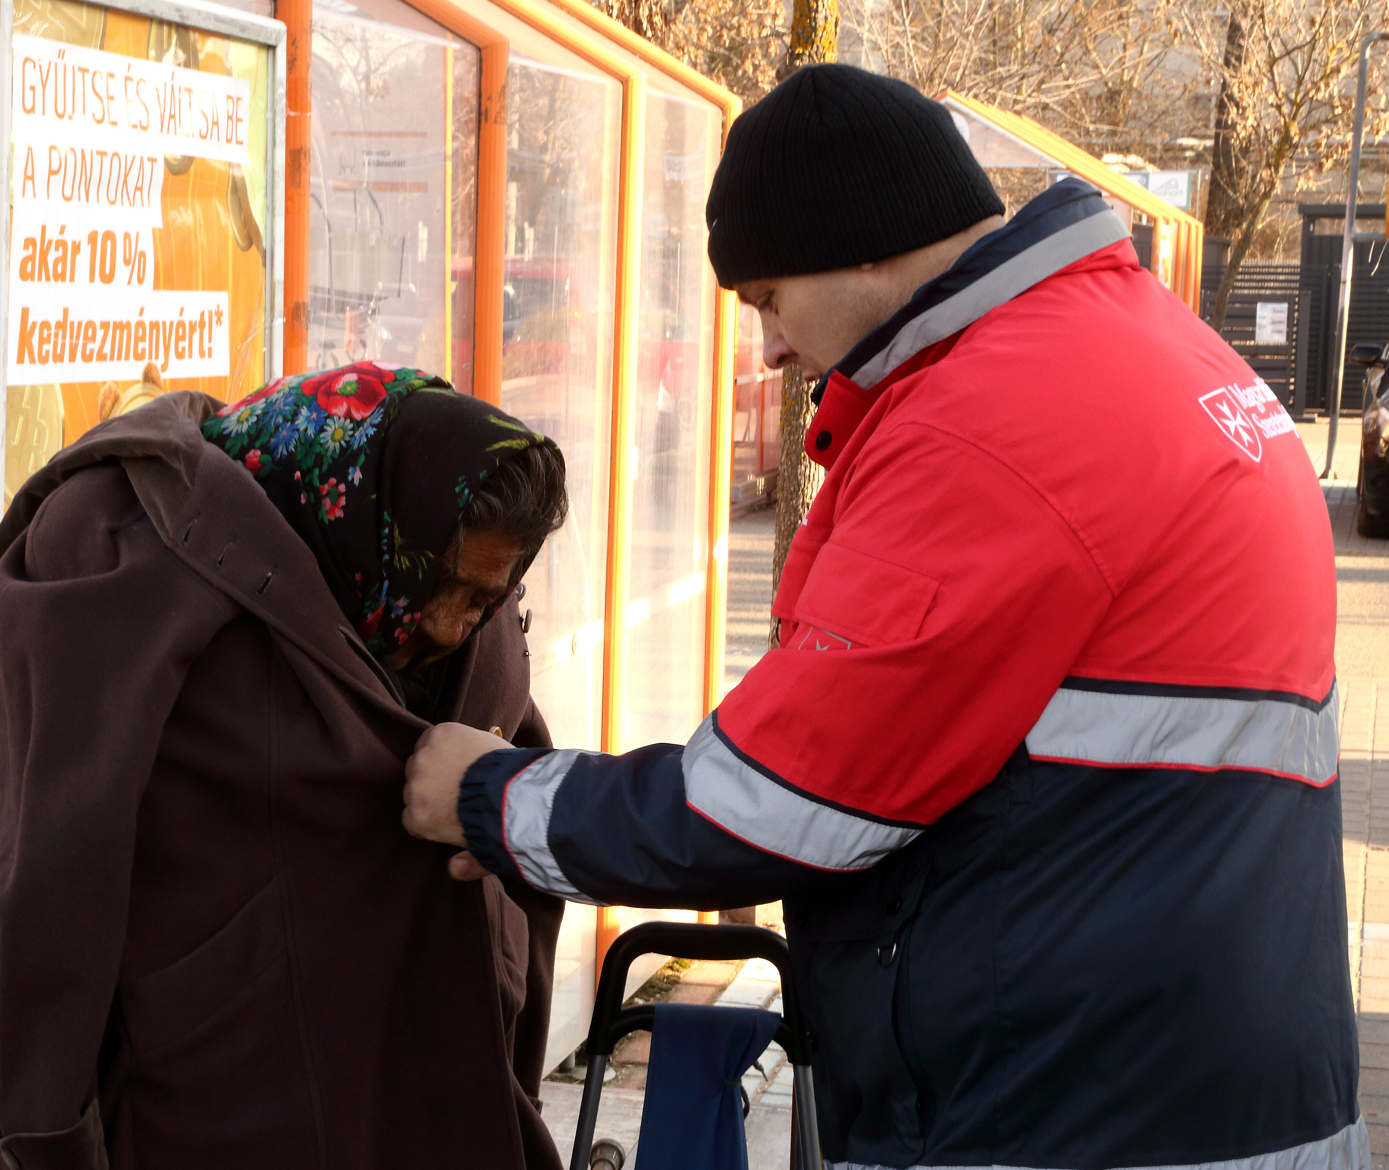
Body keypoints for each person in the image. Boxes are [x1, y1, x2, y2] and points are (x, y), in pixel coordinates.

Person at [403, 64, 1357, 1170]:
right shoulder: (1145, 344)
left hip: (1064, 1112)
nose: (763, 343)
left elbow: (770, 801)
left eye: (763, 295)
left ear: (862, 241)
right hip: (1215, 1087)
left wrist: (489, 797)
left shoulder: (990, 422)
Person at [0, 362, 570, 1169]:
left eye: (485, 600)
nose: (452, 627)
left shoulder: (467, 610)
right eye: (439, 590)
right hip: (221, 1106)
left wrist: (512, 1033)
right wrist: (43, 1132)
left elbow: (527, 835)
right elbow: (46, 880)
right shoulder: (119, 558)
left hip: (432, 1102)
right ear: (371, 522)